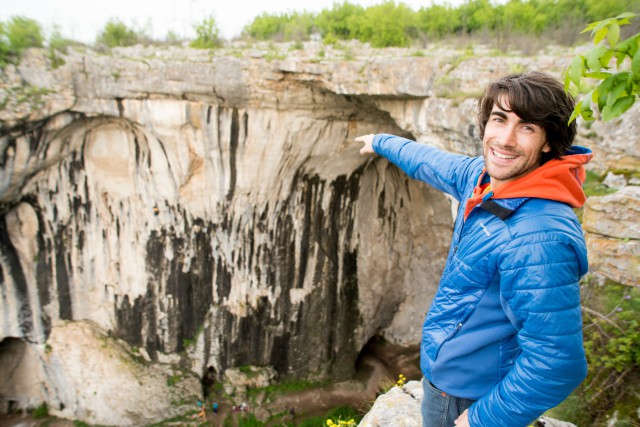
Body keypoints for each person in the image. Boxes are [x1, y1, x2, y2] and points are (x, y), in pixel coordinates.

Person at [356, 71, 592, 427]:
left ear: (548, 142)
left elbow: (558, 362)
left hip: (468, 396)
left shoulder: (537, 236)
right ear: (485, 125)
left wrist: (481, 419)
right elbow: (430, 161)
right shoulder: (485, 180)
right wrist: (380, 141)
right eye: (499, 119)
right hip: (453, 380)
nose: (506, 138)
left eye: (527, 127)